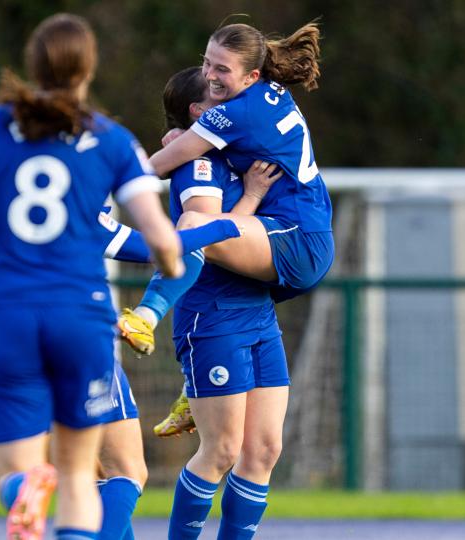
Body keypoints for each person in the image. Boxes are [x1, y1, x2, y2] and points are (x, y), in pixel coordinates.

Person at [0, 13, 182, 540]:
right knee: (80, 478)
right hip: (80, 315)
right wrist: (175, 267)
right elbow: (159, 235)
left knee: (18, 473)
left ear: (31, 65)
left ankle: (25, 491)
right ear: (87, 71)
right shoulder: (111, 140)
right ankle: (52, 495)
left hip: (7, 310)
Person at [137, 20, 334, 539]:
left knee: (263, 450)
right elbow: (182, 194)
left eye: (220, 69)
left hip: (270, 281)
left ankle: (173, 356)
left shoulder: (229, 136)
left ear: (250, 75)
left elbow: (223, 225)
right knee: (230, 450)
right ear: (201, 115)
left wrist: (245, 193)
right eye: (207, 72)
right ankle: (147, 314)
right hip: (219, 314)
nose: (212, 76)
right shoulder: (201, 165)